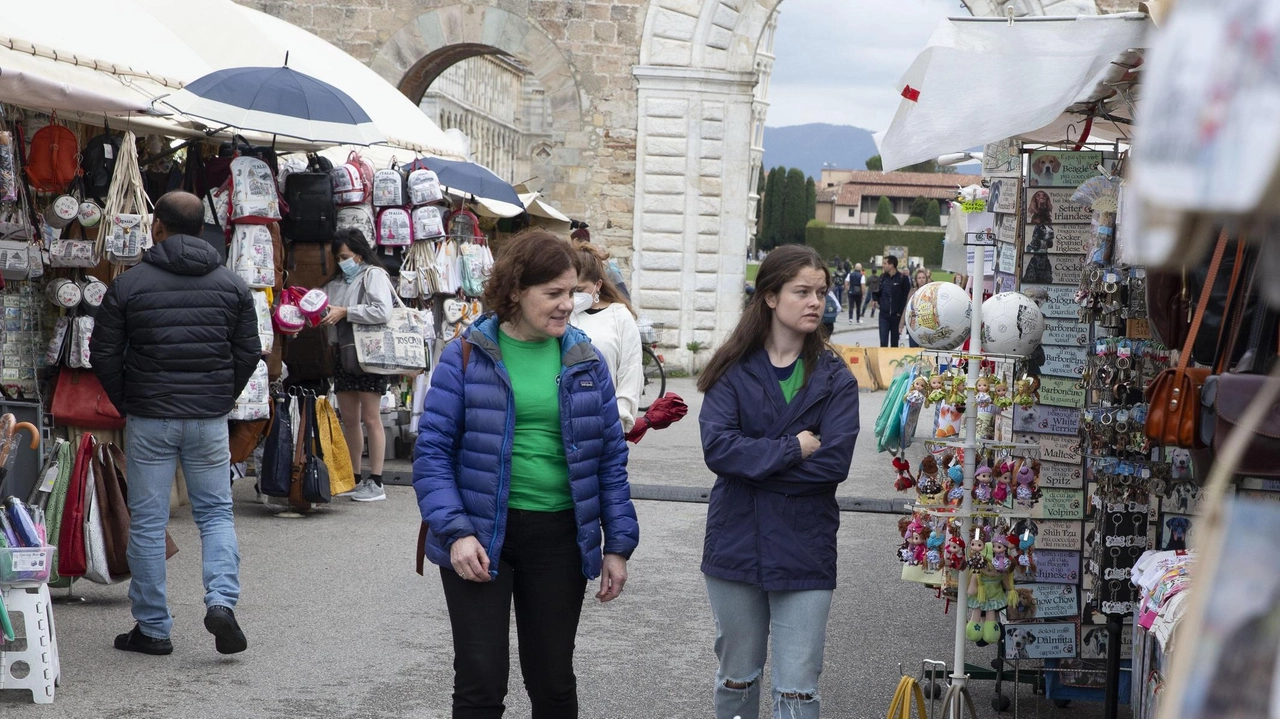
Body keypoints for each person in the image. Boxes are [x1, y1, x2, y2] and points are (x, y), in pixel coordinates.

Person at [414, 229, 639, 718]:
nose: (567, 305)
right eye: (553, 293)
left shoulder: (586, 361)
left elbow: (608, 460)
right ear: (516, 289)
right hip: (478, 535)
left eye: (572, 293)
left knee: (553, 680)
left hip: (559, 536)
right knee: (479, 680)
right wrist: (454, 532)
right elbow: (432, 451)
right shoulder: (465, 355)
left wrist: (618, 545)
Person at [91, 191, 260, 656]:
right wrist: (220, 396)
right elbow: (249, 351)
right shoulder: (232, 285)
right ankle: (221, 603)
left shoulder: (128, 285)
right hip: (207, 417)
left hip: (151, 416)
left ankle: (153, 628)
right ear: (203, 228)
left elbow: (102, 353)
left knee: (147, 520)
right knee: (215, 513)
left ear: (157, 226)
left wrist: (130, 400)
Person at [696, 244, 860, 719]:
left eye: (822, 292)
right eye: (802, 291)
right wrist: (792, 448)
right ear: (770, 297)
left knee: (798, 691)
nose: (816, 302)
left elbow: (834, 465)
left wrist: (754, 464)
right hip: (736, 544)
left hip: (804, 545)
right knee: (737, 677)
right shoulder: (733, 370)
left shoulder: (835, 378)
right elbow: (718, 450)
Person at [320, 228, 395, 503]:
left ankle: (376, 481)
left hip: (369, 354)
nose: (342, 262)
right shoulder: (337, 282)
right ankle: (353, 477)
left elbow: (382, 311)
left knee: (371, 417)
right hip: (344, 354)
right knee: (350, 419)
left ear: (360, 255)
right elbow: (325, 310)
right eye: (338, 257)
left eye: (345, 256)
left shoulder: (373, 275)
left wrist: (346, 312)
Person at [570, 241, 643, 432]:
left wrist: (618, 419)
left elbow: (630, 372)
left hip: (606, 423)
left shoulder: (620, 317)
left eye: (579, 290)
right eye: (569, 290)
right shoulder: (561, 314)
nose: (573, 297)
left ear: (598, 285)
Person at [875, 255, 913, 348]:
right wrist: (876, 300)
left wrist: (900, 313)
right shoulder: (883, 277)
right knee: (883, 341)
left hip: (896, 316)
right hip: (884, 314)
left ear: (891, 265)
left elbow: (906, 297)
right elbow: (879, 291)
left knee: (894, 343)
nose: (883, 265)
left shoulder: (902, 279)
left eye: (885, 263)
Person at [903, 267, 932, 348]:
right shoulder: (912, 292)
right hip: (914, 325)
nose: (921, 280)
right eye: (919, 278)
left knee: (926, 350)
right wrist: (901, 325)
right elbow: (906, 308)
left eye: (923, 277)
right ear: (916, 280)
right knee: (913, 349)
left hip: (927, 324)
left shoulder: (930, 291)